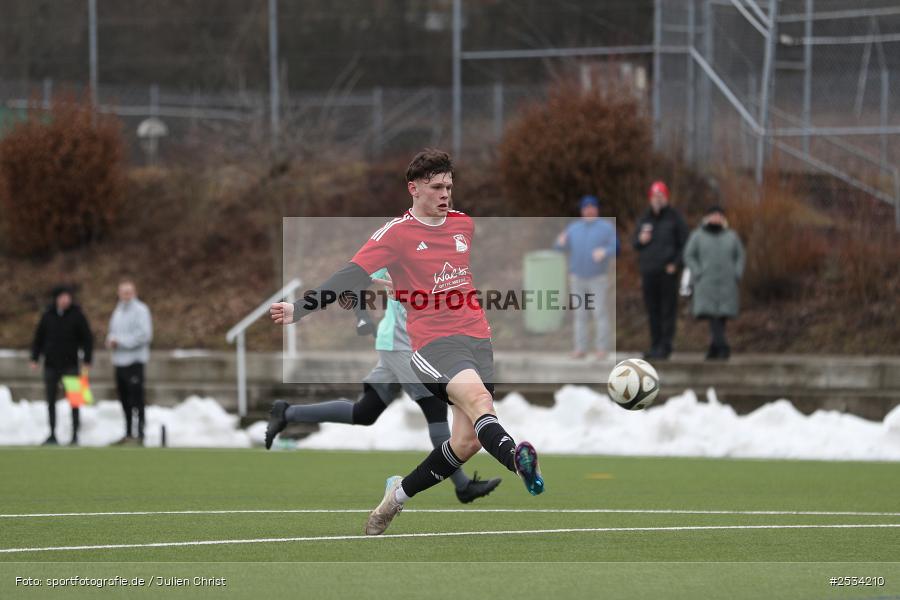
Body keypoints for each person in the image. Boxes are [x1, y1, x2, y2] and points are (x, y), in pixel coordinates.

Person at [270, 149, 544, 536]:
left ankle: (394, 498)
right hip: (434, 344)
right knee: (480, 402)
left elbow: (432, 275)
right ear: (413, 189)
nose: (445, 194)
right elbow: (349, 275)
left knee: (465, 443)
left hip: (479, 339)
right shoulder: (394, 235)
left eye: (449, 186)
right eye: (436, 187)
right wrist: (301, 308)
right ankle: (519, 462)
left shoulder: (463, 225)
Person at [265, 268, 502, 504]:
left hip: (401, 345)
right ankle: (463, 486)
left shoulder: (436, 258)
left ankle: (286, 412)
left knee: (365, 412)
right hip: (402, 347)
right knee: (435, 407)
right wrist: (362, 317)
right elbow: (356, 282)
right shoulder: (396, 251)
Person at [554, 195, 617, 360]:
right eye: (586, 208)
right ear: (582, 211)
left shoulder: (606, 227)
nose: (589, 210)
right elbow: (560, 247)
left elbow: (616, 246)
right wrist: (560, 243)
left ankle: (602, 348)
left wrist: (605, 251)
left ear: (596, 209)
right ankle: (580, 348)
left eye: (592, 207)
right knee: (580, 314)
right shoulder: (574, 228)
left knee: (599, 312)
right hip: (577, 278)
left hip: (598, 278)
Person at [29, 285, 93, 446]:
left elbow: (87, 339)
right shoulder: (47, 316)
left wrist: (87, 359)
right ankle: (52, 433)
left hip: (71, 364)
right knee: (50, 400)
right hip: (50, 365)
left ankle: (75, 434)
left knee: (75, 400)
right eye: (62, 297)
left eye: (68, 297)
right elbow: (39, 338)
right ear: (56, 299)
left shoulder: (77, 315)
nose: (65, 300)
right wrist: (35, 358)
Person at [632, 181, 688, 360]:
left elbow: (685, 244)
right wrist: (641, 239)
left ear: (666, 197)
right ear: (650, 198)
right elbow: (635, 243)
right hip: (649, 271)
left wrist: (676, 264)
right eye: (654, 196)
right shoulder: (644, 219)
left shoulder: (675, 218)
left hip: (667, 272)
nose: (657, 199)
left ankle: (666, 346)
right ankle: (655, 345)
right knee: (652, 310)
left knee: (667, 310)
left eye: (661, 195)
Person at [683, 205, 745, 360]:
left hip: (727, 283)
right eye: (713, 215)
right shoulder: (697, 235)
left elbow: (741, 255)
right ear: (707, 217)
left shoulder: (732, 236)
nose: (716, 218)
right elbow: (689, 255)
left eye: (719, 215)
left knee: (722, 316)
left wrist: (737, 273)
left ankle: (713, 349)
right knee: (712, 315)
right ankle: (723, 346)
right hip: (706, 283)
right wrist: (697, 271)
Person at [106, 279, 153, 444]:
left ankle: (140, 433)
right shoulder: (117, 311)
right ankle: (127, 432)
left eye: (129, 292)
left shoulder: (141, 310)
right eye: (123, 292)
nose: (125, 296)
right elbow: (112, 332)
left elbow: (144, 336)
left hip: (135, 361)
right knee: (124, 398)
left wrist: (121, 342)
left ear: (134, 293)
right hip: (119, 362)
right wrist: (111, 340)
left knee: (136, 398)